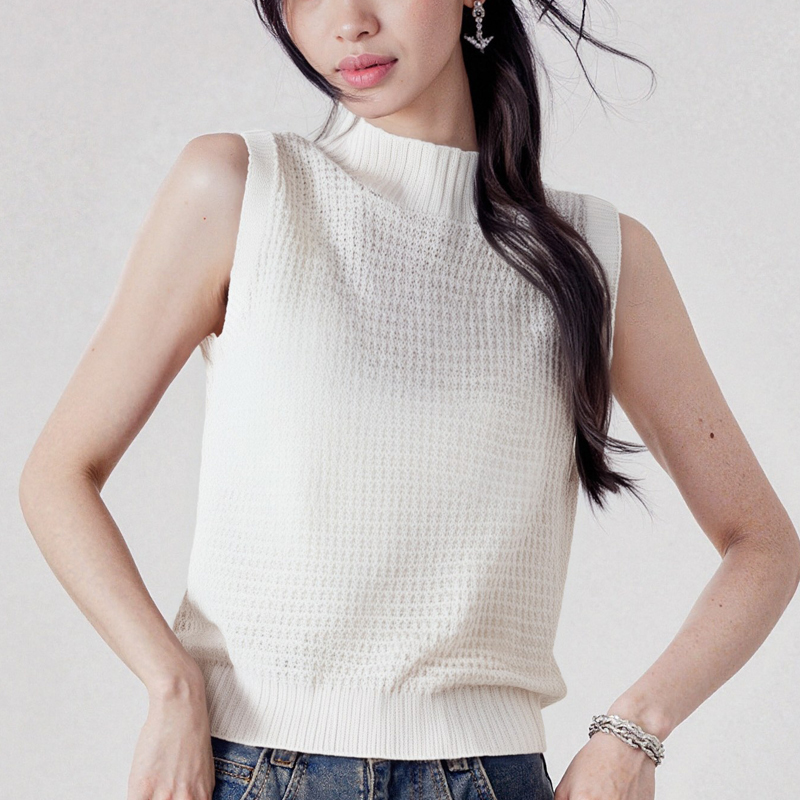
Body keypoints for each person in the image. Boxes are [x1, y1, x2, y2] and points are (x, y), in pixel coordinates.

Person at [18, 0, 800, 799]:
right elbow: (58, 474)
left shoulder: (596, 255)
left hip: (490, 778)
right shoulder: (245, 188)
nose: (346, 22)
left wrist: (633, 733)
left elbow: (764, 545)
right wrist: (171, 683)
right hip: (251, 767)